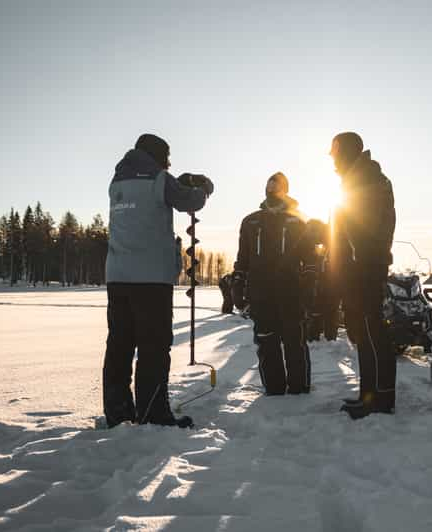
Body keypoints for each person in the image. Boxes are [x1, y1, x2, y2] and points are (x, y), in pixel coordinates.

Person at [103, 133, 213, 429]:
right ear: (157, 155)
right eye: (167, 157)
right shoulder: (159, 179)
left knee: (120, 346)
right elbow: (189, 200)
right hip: (151, 279)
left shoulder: (118, 181)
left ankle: (118, 413)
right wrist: (203, 187)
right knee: (153, 347)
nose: (169, 162)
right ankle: (153, 414)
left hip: (117, 277)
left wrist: (177, 178)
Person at [329, 132, 397, 419]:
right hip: (360, 267)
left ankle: (379, 399)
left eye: (334, 153)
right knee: (364, 332)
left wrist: (356, 259)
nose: (332, 160)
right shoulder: (357, 178)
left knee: (372, 331)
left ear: (346, 152)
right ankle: (369, 394)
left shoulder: (366, 180)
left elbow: (366, 228)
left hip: (365, 268)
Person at [232, 172, 315, 395]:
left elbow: (310, 259)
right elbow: (243, 259)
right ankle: (274, 389)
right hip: (261, 294)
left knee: (294, 342)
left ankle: (299, 389)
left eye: (276, 186)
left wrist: (309, 285)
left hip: (291, 292)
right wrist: (238, 284)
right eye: (268, 185)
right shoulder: (251, 221)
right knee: (267, 342)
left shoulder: (298, 221)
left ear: (285, 190)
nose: (271, 189)